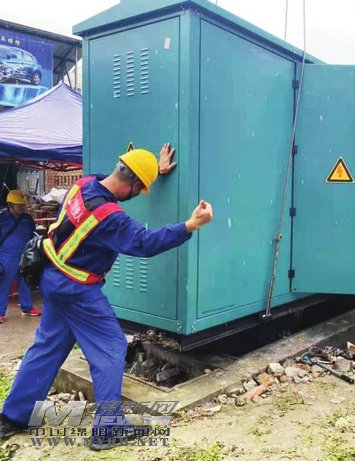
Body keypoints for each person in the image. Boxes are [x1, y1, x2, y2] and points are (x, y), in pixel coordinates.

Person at [0, 144, 213, 450]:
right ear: (134, 183)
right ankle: (108, 428)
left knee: (47, 347)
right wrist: (190, 225)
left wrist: (153, 169)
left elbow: (124, 179)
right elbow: (144, 243)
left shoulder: (84, 184)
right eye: (140, 189)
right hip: (77, 290)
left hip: (52, 277)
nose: (139, 195)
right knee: (112, 347)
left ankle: (13, 416)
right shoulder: (110, 217)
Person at [0, 190, 41, 324]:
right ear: (10, 205)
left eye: (23, 204)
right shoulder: (2, 219)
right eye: (19, 205)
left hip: (25, 254)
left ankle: (27, 307)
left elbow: (32, 234)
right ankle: (0, 312)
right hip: (6, 256)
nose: (22, 207)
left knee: (25, 281)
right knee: (4, 284)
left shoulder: (27, 219)